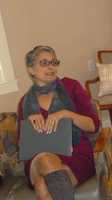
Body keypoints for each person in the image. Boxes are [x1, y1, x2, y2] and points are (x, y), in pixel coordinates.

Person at [17, 45, 100, 200]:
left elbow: (93, 125)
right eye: (44, 63)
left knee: (42, 186)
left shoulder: (72, 86)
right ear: (31, 69)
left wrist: (65, 114)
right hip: (37, 159)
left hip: (75, 153)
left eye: (54, 62)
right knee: (45, 158)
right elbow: (22, 145)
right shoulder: (24, 102)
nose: (51, 67)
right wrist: (29, 126)